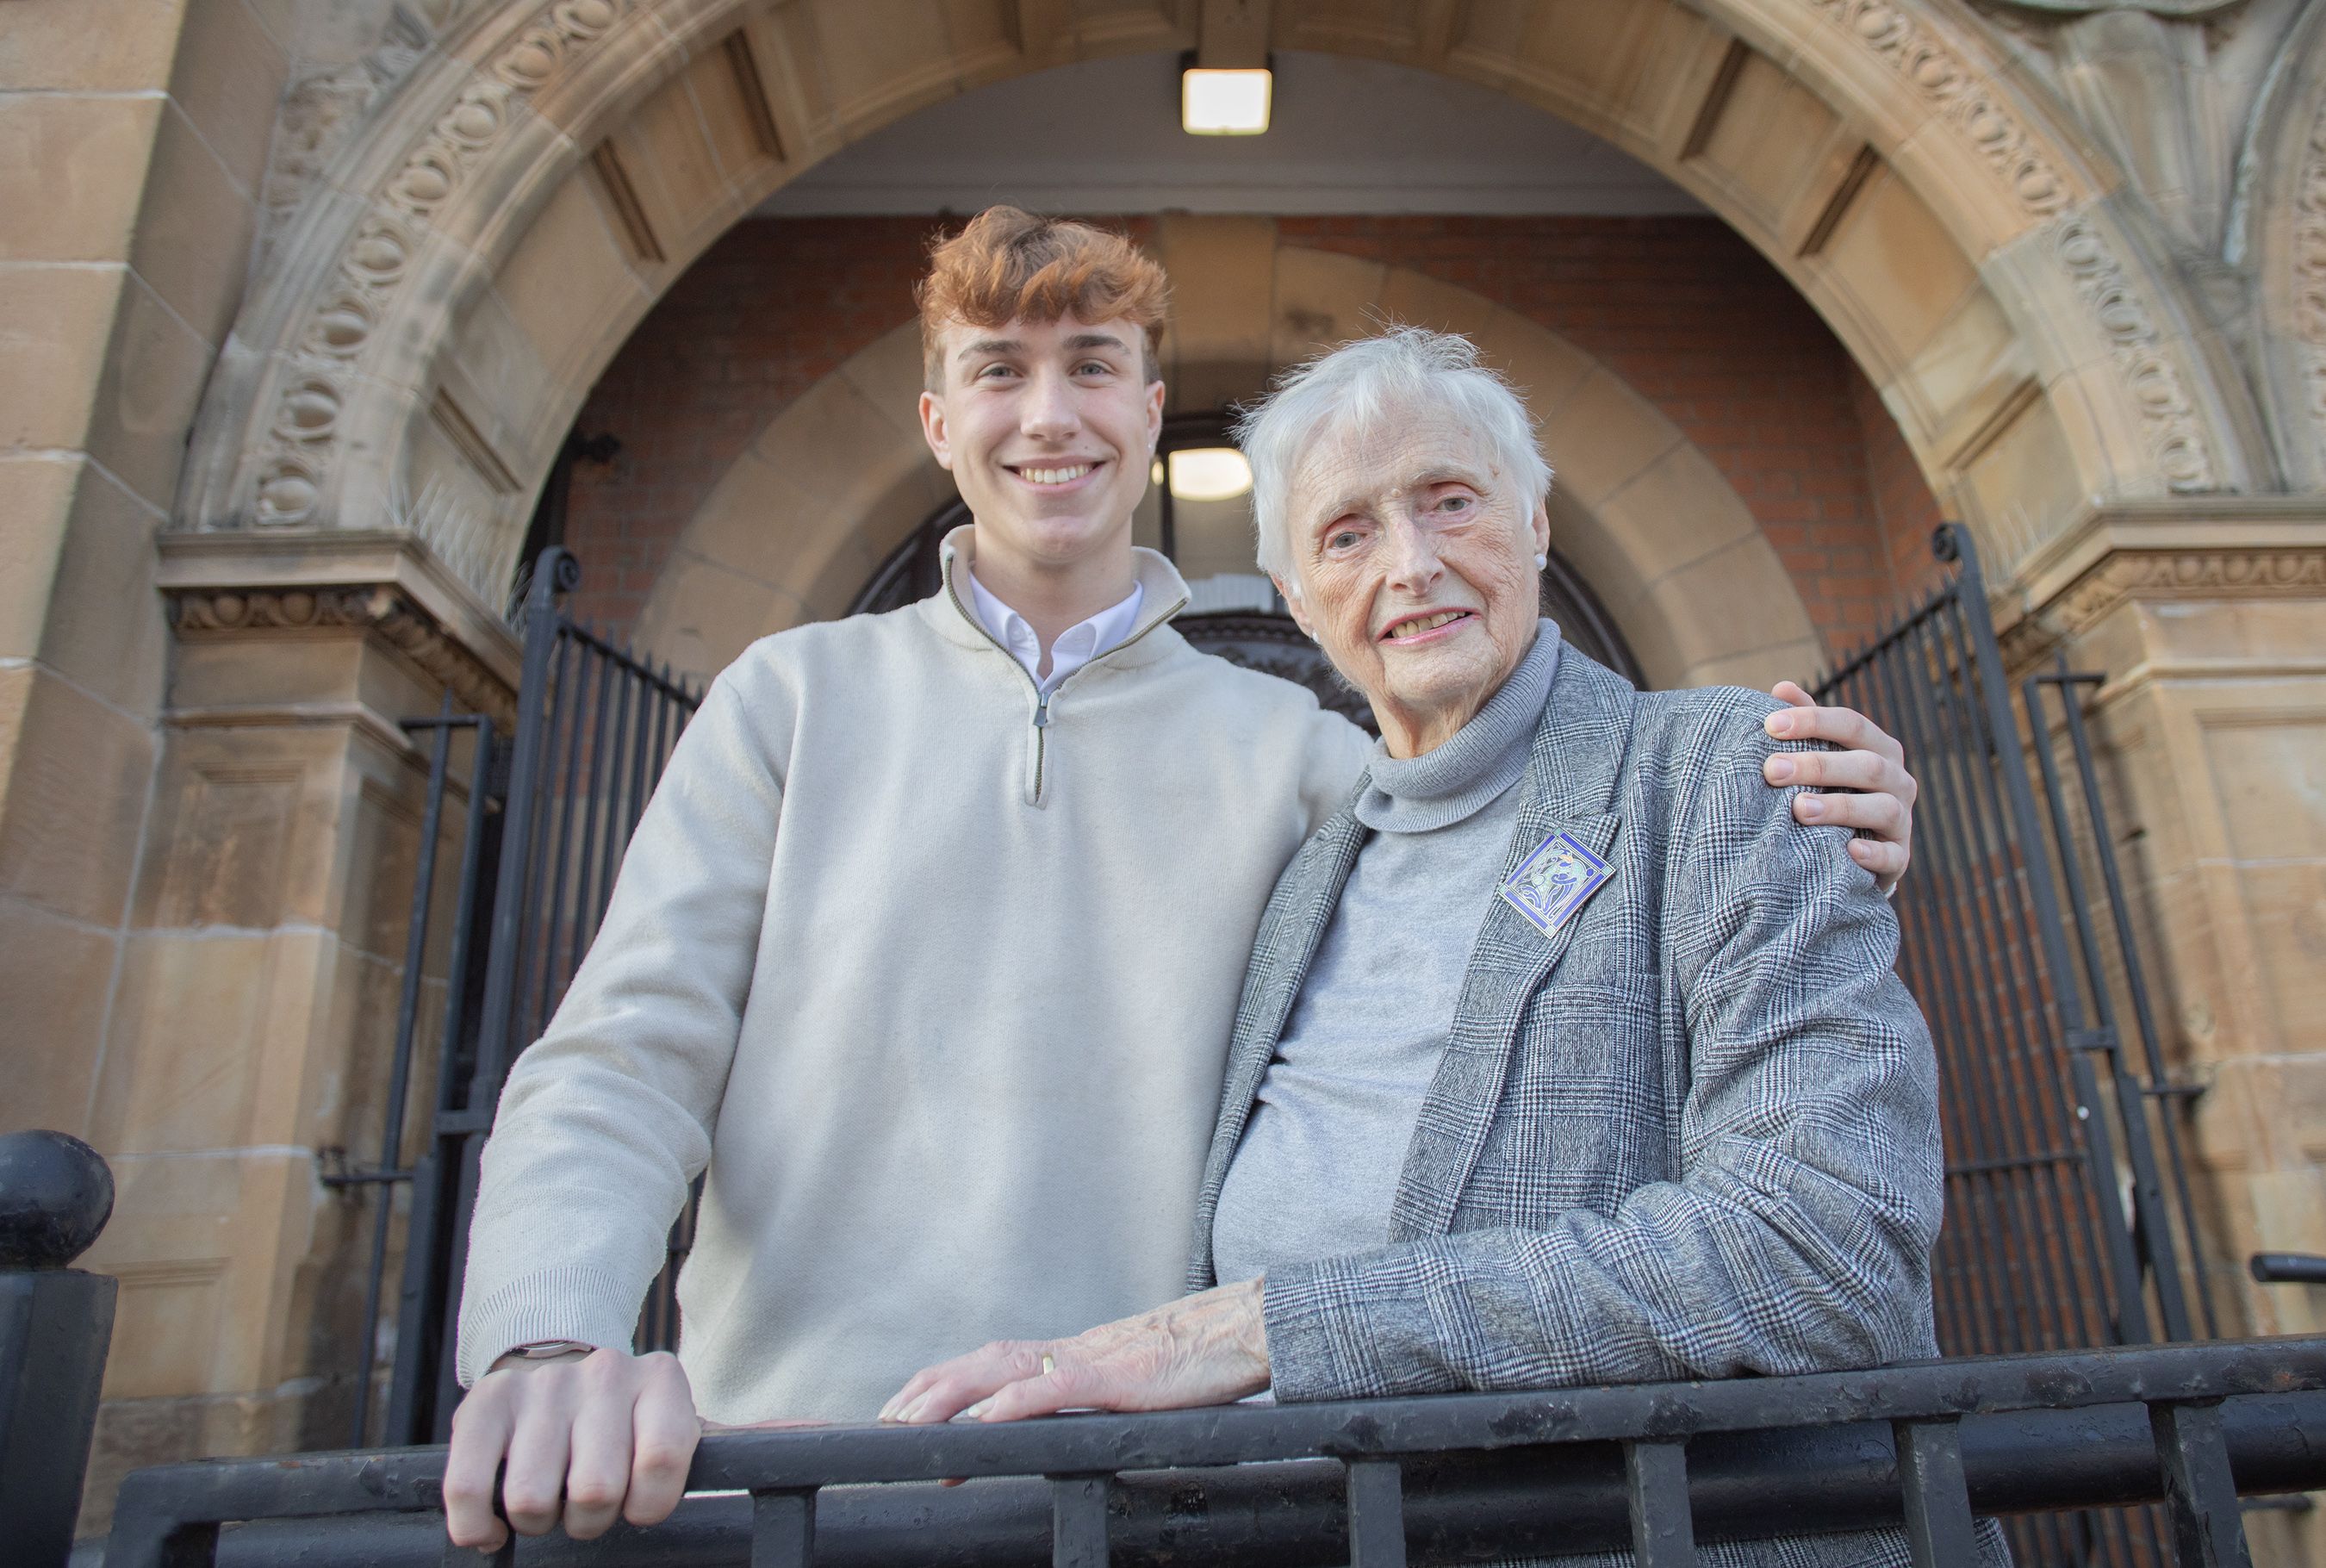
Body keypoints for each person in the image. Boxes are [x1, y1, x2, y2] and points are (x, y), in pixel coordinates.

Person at [443, 211, 1923, 1551]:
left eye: (1092, 365)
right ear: (938, 420)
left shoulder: (1310, 767)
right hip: (801, 1476)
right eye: (998, 371)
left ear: (1150, 411)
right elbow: (623, 1062)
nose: (1049, 414)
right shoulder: (787, 701)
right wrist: (549, 1338)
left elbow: (1529, 835)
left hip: (1148, 1503)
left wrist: (1826, 800)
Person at [883, 329, 1998, 1566]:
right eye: (1346, 534)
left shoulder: (1730, 775)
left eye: (1451, 501)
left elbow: (1825, 1249)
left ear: (1536, 523)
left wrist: (1268, 1329)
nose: (1411, 566)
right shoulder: (1308, 883)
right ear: (1299, 601)